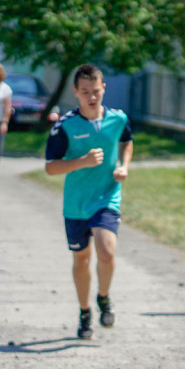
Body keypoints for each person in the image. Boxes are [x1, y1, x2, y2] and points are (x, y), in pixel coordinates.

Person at [44, 64, 133, 340]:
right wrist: (81, 162)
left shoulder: (118, 118)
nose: (91, 97)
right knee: (81, 259)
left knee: (106, 252)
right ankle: (85, 313)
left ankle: (103, 298)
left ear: (103, 88)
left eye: (95, 91)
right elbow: (50, 167)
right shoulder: (65, 126)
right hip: (76, 204)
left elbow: (127, 141)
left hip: (106, 196)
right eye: (85, 92)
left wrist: (124, 166)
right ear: (75, 92)